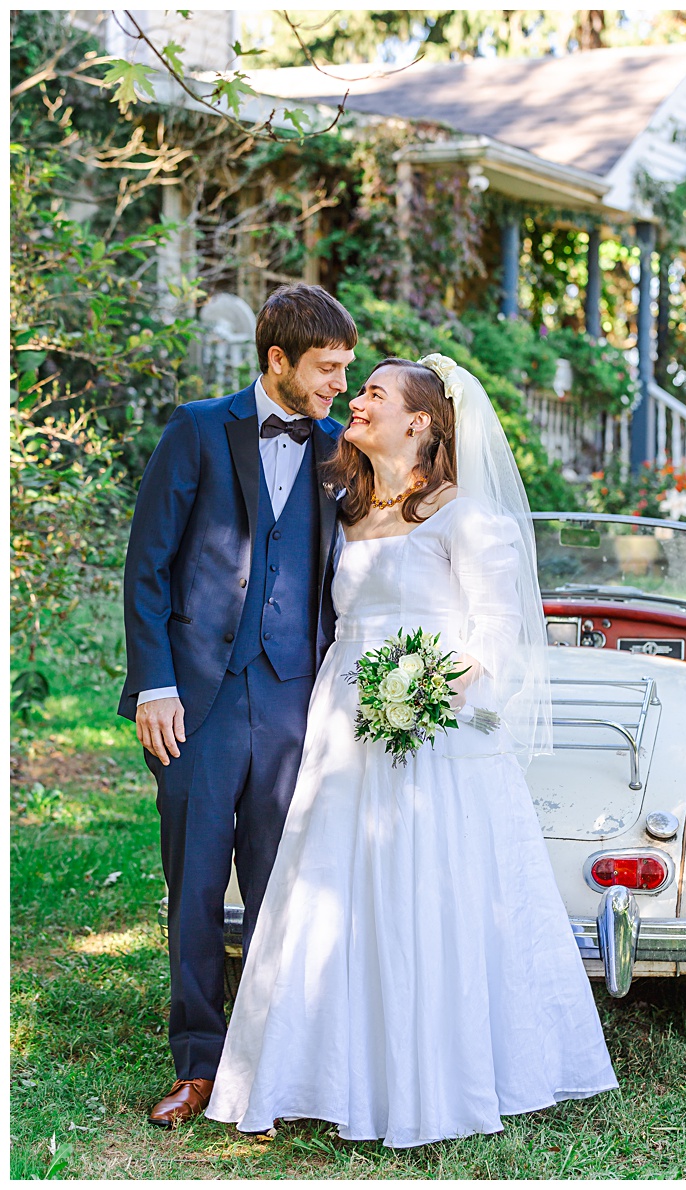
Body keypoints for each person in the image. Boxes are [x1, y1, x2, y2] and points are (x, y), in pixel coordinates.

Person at [205, 355, 617, 1146]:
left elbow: (497, 635)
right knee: (332, 889)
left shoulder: (468, 518)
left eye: (373, 395)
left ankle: (436, 1075)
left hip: (431, 727)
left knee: (429, 892)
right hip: (341, 720)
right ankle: (317, 1067)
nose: (354, 402)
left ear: (421, 422)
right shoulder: (346, 506)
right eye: (357, 390)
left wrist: (423, 690)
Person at [123, 283, 355, 1128]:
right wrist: (154, 684)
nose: (339, 385)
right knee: (192, 886)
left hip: (298, 700)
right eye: (327, 369)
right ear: (277, 361)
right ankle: (197, 1063)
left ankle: (270, 1063)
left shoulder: (340, 446)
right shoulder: (195, 430)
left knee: (278, 886)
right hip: (195, 700)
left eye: (345, 370)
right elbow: (146, 566)